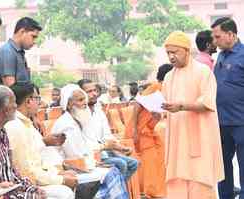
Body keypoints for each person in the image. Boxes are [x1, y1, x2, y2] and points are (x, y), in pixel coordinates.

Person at [161, 31, 224, 199]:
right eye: (168, 53)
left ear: (187, 51)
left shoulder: (203, 72)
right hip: (176, 140)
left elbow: (207, 103)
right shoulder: (168, 77)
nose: (171, 57)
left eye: (175, 52)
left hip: (199, 138)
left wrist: (181, 106)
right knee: (177, 180)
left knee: (199, 182)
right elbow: (166, 106)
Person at [52, 84, 129, 199]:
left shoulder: (78, 120)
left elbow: (87, 148)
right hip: (69, 170)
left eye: (85, 100)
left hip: (83, 165)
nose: (85, 104)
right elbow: (74, 156)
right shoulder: (67, 125)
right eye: (80, 100)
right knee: (112, 173)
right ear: (68, 104)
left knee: (113, 171)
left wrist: (97, 161)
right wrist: (102, 149)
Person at [77, 79, 138, 181]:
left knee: (133, 164)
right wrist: (104, 147)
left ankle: (116, 189)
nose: (94, 94)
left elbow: (106, 135)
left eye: (95, 90)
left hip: (104, 151)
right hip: (90, 155)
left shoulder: (98, 111)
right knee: (121, 164)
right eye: (89, 92)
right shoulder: (78, 115)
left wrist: (121, 148)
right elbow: (85, 145)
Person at [128, 64, 172, 198]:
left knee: (159, 156)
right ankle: (149, 190)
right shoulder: (155, 87)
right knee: (150, 159)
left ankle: (155, 189)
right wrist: (135, 130)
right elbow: (137, 104)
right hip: (139, 130)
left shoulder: (164, 88)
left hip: (149, 129)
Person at [212, 17, 244, 199]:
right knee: (222, 166)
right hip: (221, 122)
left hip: (241, 122)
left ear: (230, 34)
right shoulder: (221, 56)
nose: (214, 41)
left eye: (218, 37)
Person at [0, 17, 42, 86]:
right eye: (33, 36)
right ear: (22, 32)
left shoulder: (19, 53)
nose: (34, 42)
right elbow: (11, 88)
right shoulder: (7, 52)